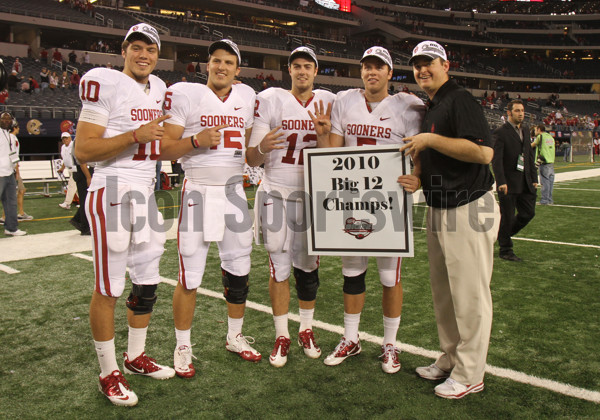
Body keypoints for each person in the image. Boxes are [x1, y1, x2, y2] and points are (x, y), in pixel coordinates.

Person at [74, 23, 175, 407]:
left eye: (150, 48)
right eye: (137, 47)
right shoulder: (105, 82)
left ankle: (135, 357)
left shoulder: (161, 88)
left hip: (145, 191)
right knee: (109, 286)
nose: (144, 54)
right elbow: (84, 149)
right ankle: (107, 372)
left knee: (147, 281)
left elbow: (159, 143)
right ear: (124, 51)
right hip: (111, 189)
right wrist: (135, 135)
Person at [311, 46, 425, 374]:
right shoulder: (344, 101)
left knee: (390, 277)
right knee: (352, 273)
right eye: (367, 67)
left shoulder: (407, 105)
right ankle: (351, 338)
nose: (372, 72)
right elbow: (332, 154)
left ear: (390, 73)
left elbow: (418, 152)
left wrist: (417, 177)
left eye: (379, 67)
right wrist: (321, 135)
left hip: (390, 201)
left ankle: (390, 344)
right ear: (361, 71)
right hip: (350, 199)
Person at [401, 41, 499, 399]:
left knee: (470, 294)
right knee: (444, 293)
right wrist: (420, 179)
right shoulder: (435, 104)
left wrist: (430, 139)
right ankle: (451, 357)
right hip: (440, 204)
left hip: (469, 206)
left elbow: (483, 152)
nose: (422, 70)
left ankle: (471, 373)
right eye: (416, 65)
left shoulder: (459, 98)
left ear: (445, 64)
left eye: (428, 63)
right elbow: (441, 160)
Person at [161, 39, 258, 378]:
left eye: (229, 62)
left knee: (239, 269)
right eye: (216, 60)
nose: (221, 67)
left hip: (233, 191)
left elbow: (249, 144)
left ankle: (234, 335)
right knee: (190, 274)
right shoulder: (186, 94)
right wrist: (194, 141)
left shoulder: (247, 96)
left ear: (237, 69)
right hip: (198, 191)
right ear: (207, 64)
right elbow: (163, 150)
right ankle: (183, 344)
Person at [246, 47, 336, 368]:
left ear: (315, 70)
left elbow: (331, 158)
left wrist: (324, 135)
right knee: (279, 265)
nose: (302, 71)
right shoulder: (271, 99)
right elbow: (251, 158)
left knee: (309, 266)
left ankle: (306, 329)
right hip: (275, 192)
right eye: (296, 66)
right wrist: (261, 146)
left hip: (310, 195)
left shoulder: (327, 101)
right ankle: (282, 334)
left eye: (307, 66)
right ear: (289, 70)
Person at [492, 99, 537, 262]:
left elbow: (529, 155)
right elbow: (496, 159)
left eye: (522, 110)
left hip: (525, 180)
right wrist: (501, 181)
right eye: (517, 111)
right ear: (509, 113)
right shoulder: (500, 132)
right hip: (508, 182)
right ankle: (505, 249)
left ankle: (503, 234)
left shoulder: (525, 129)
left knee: (528, 213)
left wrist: (534, 178)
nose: (521, 114)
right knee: (508, 216)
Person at [0, 112, 26, 236]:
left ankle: (11, 228)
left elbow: (13, 155)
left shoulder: (10, 136)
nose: (6, 120)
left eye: (8, 119)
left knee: (11, 201)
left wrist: (16, 170)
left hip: (9, 172)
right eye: (3, 118)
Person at [531, 125, 555, 205]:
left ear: (539, 129)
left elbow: (532, 145)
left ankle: (544, 200)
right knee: (550, 183)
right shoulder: (550, 137)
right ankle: (550, 200)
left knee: (544, 182)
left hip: (544, 161)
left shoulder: (540, 136)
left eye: (535, 130)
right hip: (551, 161)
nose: (535, 132)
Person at [58, 132, 78, 210]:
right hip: (69, 169)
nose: (65, 140)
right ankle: (83, 202)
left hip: (75, 169)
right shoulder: (63, 147)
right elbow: (65, 159)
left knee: (71, 185)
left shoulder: (74, 145)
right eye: (63, 138)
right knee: (77, 188)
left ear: (70, 138)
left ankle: (67, 203)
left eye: (66, 138)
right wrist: (62, 168)